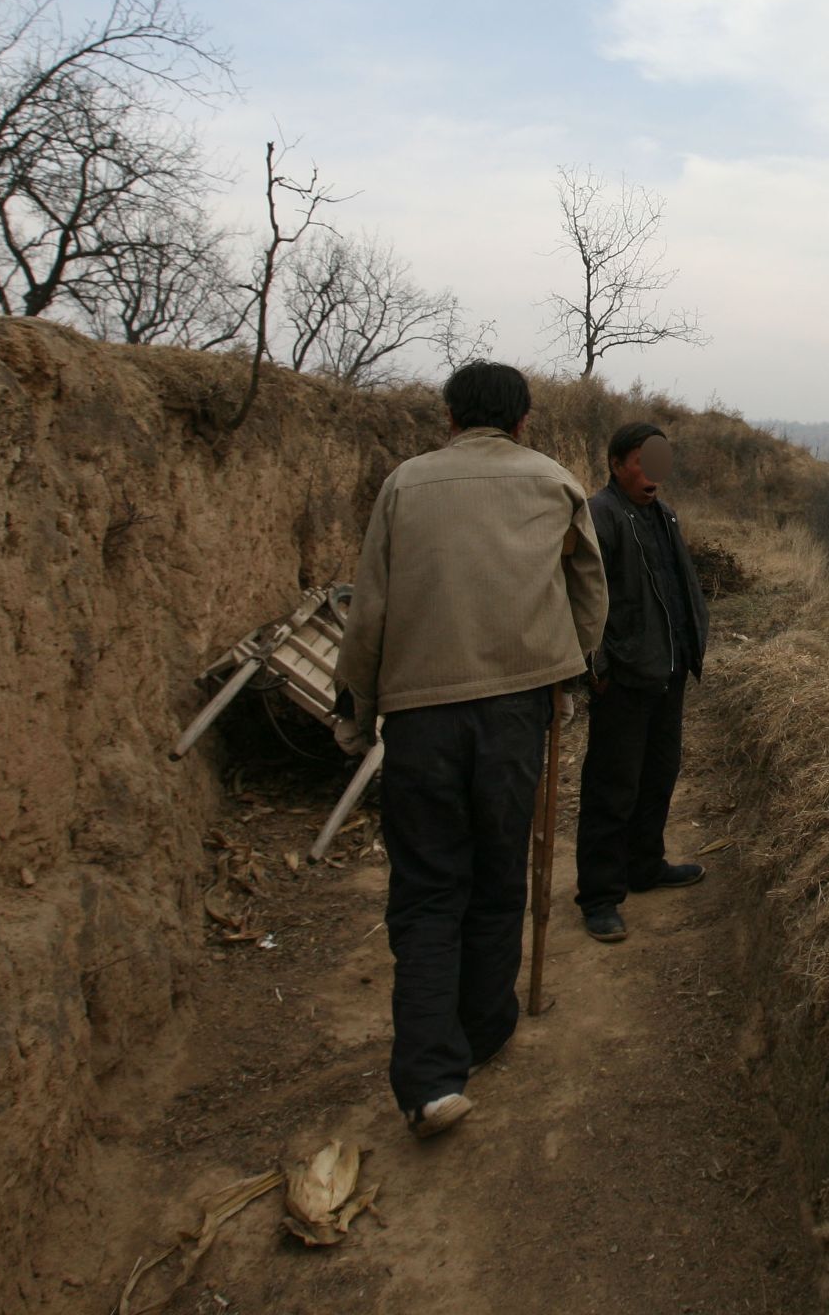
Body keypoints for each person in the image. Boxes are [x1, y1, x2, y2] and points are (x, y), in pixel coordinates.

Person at [335, 360, 606, 1139]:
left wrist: (355, 711)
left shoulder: (406, 484)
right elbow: (589, 590)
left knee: (426, 892)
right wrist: (573, 666)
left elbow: (370, 607)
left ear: (449, 417)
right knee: (498, 871)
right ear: (523, 420)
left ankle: (429, 1078)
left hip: (421, 716)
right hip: (519, 710)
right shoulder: (552, 480)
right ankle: (484, 1033)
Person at [575, 422, 711, 943]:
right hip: (625, 679)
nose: (653, 472)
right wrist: (600, 669)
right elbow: (583, 600)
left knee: (658, 774)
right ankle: (600, 895)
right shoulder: (600, 516)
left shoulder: (664, 514)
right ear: (615, 464)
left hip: (669, 671)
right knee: (613, 786)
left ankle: (645, 865)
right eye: (641, 461)